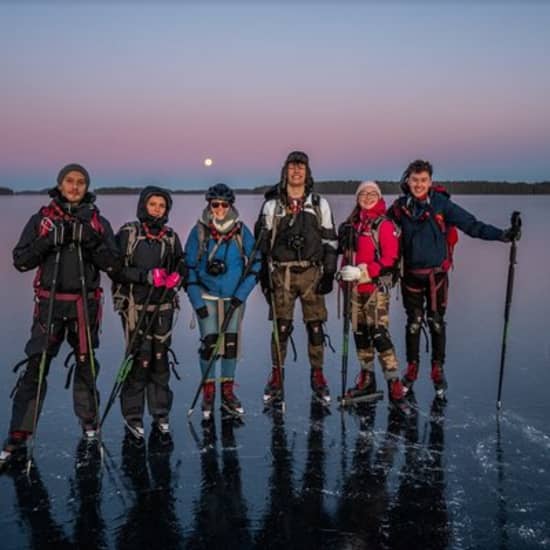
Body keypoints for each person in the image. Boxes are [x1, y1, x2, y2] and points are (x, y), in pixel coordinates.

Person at [0, 163, 120, 467]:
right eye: (70, 181)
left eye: (81, 182)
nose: (75, 186)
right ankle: (19, 432)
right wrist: (49, 240)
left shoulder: (97, 221)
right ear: (60, 183)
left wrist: (89, 240)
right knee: (36, 366)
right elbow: (20, 260)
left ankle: (89, 422)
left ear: (87, 186)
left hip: (84, 304)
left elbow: (113, 264)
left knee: (86, 364)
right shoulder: (42, 220)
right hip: (49, 305)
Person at [388, 159, 521, 400]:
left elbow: (472, 225)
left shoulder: (442, 205)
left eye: (423, 180)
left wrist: (503, 235)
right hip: (410, 277)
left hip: (436, 276)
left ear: (430, 182)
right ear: (407, 180)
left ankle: (437, 370)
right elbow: (382, 230)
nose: (419, 184)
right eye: (415, 180)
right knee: (414, 323)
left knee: (436, 322)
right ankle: (412, 369)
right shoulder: (399, 208)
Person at [256, 151, 338, 406]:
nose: (296, 172)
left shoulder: (318, 203)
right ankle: (277, 375)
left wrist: (329, 272)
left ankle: (318, 374)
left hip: (312, 273)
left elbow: (330, 240)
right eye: (292, 167)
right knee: (281, 327)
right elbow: (261, 244)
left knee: (315, 327)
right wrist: (263, 274)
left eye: (301, 168)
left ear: (307, 172)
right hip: (282, 274)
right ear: (285, 171)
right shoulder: (272, 205)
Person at [110, 186, 186, 439]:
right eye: (153, 204)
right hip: (135, 306)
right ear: (144, 205)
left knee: (160, 358)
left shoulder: (171, 237)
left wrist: (178, 277)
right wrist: (145, 276)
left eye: (162, 206)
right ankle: (133, 415)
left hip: (163, 306)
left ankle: (160, 412)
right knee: (139, 359)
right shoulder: (128, 233)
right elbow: (115, 268)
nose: (157, 209)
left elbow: (181, 263)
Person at [184, 183, 261, 420]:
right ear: (209, 205)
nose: (219, 209)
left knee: (230, 344)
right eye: (214, 204)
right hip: (206, 296)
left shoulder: (241, 231)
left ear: (230, 206)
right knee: (209, 343)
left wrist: (242, 293)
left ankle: (227, 388)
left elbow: (256, 262)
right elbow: (188, 266)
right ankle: (209, 388)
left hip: (233, 297)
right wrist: (196, 300)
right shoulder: (199, 231)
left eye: (224, 204)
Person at [337, 181, 408, 409]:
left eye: (372, 193)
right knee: (361, 335)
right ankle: (367, 377)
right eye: (363, 193)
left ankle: (394, 382)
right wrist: (342, 274)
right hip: (353, 291)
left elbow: (390, 259)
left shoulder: (384, 224)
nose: (367, 196)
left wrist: (362, 271)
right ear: (357, 198)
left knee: (379, 334)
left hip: (375, 289)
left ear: (379, 197)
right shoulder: (352, 225)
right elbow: (345, 255)